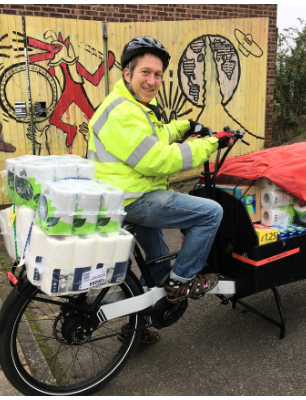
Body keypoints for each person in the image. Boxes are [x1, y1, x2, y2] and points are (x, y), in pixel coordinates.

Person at [86, 36, 234, 331]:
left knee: (157, 263)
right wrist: (211, 144)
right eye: (145, 72)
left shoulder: (130, 105)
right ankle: (181, 284)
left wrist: (185, 126)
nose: (152, 81)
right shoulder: (123, 112)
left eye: (157, 74)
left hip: (124, 195)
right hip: (134, 198)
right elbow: (156, 158)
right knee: (211, 213)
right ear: (127, 73)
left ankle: (137, 326)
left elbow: (156, 135)